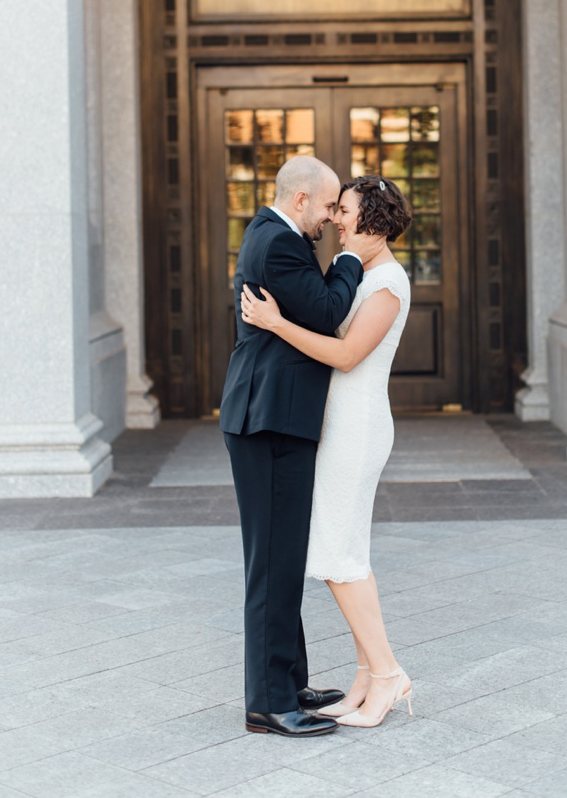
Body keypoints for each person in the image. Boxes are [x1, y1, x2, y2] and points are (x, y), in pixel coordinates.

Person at [240, 174, 414, 728]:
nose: (336, 217)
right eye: (333, 207)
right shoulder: (362, 272)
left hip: (357, 429)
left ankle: (387, 674)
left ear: (371, 222)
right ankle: (366, 677)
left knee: (340, 557)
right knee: (347, 551)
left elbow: (344, 355)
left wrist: (275, 322)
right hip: (336, 426)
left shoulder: (387, 282)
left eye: (346, 210)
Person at [219, 153, 367, 738]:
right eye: (330, 206)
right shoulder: (278, 244)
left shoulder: (270, 233)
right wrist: (353, 255)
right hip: (268, 422)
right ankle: (268, 702)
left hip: (270, 417)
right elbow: (330, 310)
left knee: (283, 559)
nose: (333, 219)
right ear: (300, 199)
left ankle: (290, 679)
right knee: (272, 565)